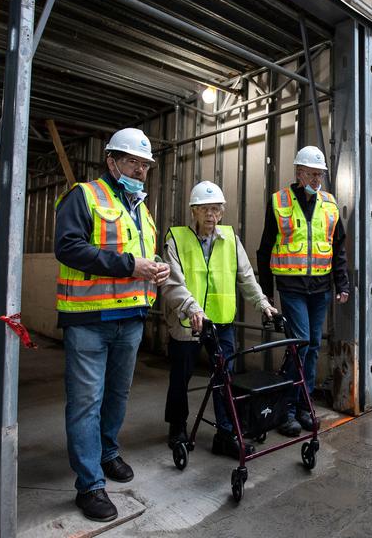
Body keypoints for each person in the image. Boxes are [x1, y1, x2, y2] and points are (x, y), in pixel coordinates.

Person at [55, 127, 170, 522]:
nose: (140, 170)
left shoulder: (142, 209)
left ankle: (107, 454)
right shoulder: (84, 196)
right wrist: (129, 266)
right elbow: (68, 246)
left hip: (132, 317)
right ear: (112, 160)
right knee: (86, 401)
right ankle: (89, 485)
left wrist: (155, 269)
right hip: (89, 320)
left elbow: (140, 256)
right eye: (133, 162)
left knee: (117, 396)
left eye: (145, 164)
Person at [161, 181, 276, 458]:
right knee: (181, 377)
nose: (211, 215)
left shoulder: (229, 238)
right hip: (188, 324)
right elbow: (172, 283)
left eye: (216, 210)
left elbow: (246, 277)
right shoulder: (176, 238)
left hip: (220, 323)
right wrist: (191, 308)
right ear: (193, 211)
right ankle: (177, 428)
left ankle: (225, 434)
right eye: (205, 209)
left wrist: (262, 303)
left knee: (225, 377)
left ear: (222, 213)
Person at [257, 146, 350, 437]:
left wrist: (342, 283)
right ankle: (287, 410)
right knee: (302, 344)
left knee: (309, 347)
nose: (316, 179)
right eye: (311, 173)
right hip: (292, 287)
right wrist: (266, 292)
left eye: (320, 174)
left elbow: (338, 248)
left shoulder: (329, 204)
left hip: (320, 287)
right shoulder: (279, 201)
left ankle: (302, 405)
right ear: (298, 172)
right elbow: (265, 248)